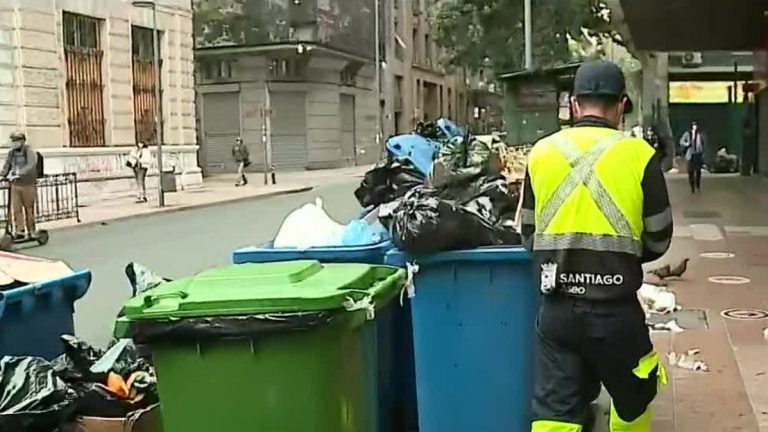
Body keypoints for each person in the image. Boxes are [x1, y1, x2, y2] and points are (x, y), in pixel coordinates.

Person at [520, 60, 673, 432]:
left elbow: (528, 233)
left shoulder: (540, 153)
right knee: (633, 400)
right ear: (621, 105)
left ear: (574, 104)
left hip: (557, 312)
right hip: (616, 312)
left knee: (554, 414)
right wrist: (618, 259)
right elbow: (659, 237)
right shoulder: (641, 156)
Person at [1, 131, 40, 239]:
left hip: (27, 184)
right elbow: (7, 165)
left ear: (22, 141)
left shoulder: (29, 151)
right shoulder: (11, 153)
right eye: (13, 141)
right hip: (15, 184)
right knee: (16, 209)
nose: (14, 143)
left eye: (16, 140)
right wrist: (2, 174)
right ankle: (20, 231)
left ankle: (31, 230)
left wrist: (19, 173)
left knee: (29, 209)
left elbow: (31, 165)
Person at [679, 121, 706, 193]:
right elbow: (681, 141)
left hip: (698, 154)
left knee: (698, 171)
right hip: (690, 154)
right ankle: (692, 187)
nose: (695, 127)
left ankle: (698, 185)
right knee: (690, 171)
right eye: (693, 125)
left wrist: (703, 152)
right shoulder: (688, 134)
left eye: (696, 125)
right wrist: (687, 144)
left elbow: (703, 143)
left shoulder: (701, 134)